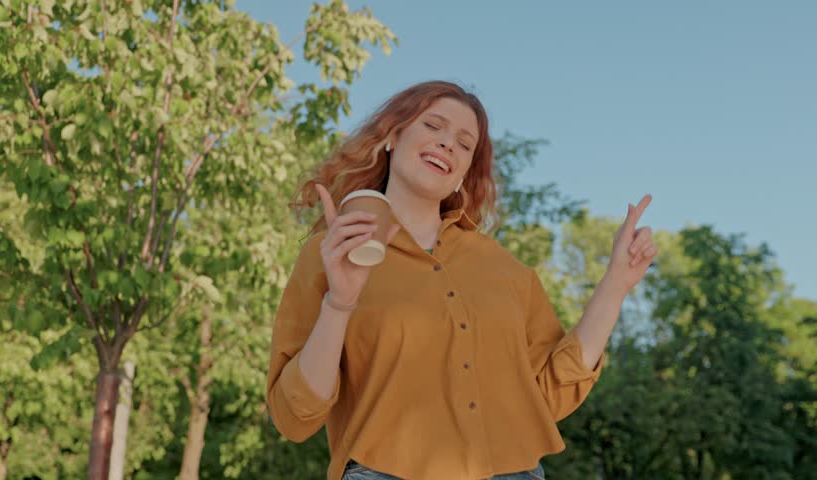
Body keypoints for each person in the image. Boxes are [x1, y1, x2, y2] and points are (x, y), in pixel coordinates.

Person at [265, 80, 657, 480]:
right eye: (433, 126)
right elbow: (294, 415)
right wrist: (340, 302)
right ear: (393, 137)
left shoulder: (504, 269)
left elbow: (548, 395)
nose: (447, 143)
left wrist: (616, 284)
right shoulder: (329, 252)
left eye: (464, 143)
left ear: (465, 171)